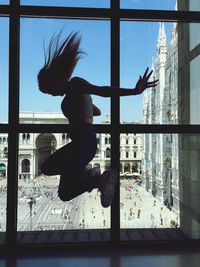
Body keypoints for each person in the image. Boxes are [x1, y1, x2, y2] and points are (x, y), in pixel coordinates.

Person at [37, 31, 158, 208]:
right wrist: (86, 102)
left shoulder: (76, 84)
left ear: (55, 78)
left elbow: (103, 90)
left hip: (83, 143)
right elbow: (97, 112)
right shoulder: (75, 91)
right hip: (85, 142)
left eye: (49, 89)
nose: (52, 94)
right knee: (57, 182)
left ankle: (98, 178)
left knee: (55, 179)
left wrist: (133, 91)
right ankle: (91, 176)